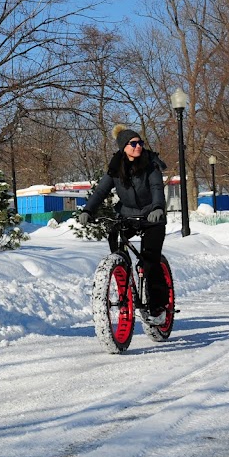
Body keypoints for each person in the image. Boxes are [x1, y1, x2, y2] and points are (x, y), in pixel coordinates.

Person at [78, 125, 169, 322]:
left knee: (150, 261)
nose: (138, 147)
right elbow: (101, 192)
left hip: (152, 217)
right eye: (133, 143)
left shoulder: (150, 164)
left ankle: (158, 307)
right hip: (127, 215)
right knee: (114, 236)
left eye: (140, 143)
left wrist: (157, 208)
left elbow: (156, 188)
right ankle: (122, 271)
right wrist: (88, 210)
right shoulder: (116, 168)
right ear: (123, 148)